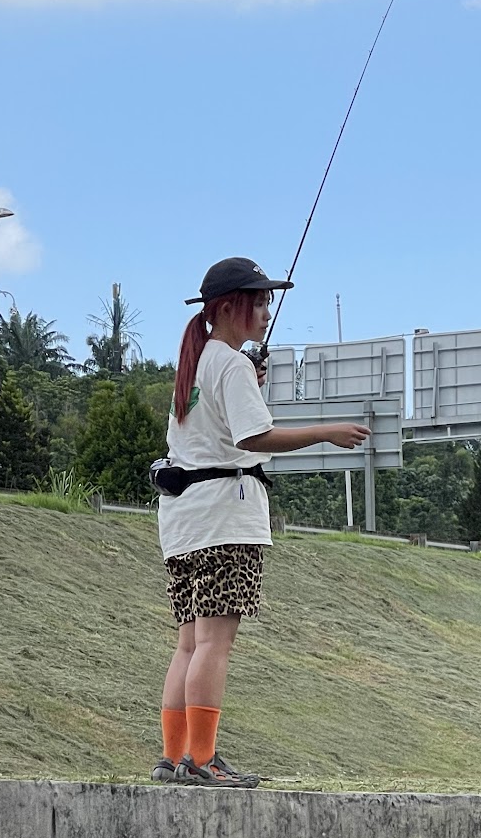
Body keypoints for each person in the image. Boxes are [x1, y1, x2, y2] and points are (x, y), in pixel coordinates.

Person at [151, 257, 369, 787]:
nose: (267, 312)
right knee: (213, 645)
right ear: (231, 307)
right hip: (225, 520)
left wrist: (250, 379)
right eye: (260, 301)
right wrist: (326, 431)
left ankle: (175, 758)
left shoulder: (197, 362)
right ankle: (203, 760)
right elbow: (252, 438)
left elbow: (213, 431)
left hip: (182, 524)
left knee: (189, 644)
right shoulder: (229, 365)